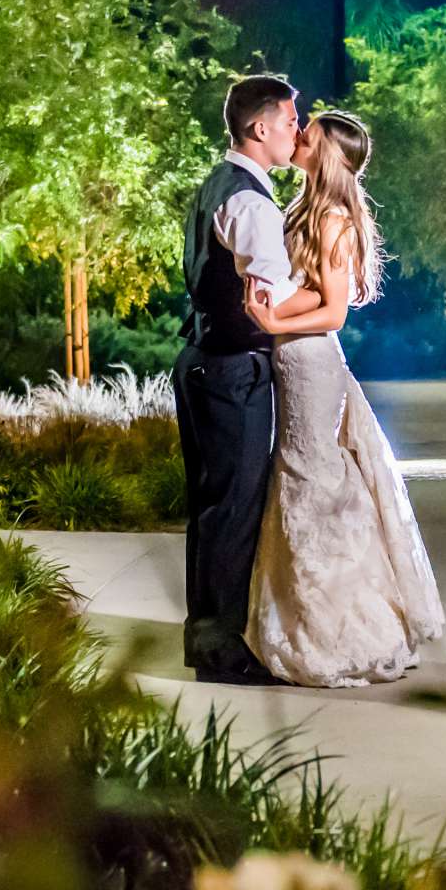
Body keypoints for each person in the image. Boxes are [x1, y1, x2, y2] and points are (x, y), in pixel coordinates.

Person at [240, 109, 444, 687]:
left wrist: (272, 318)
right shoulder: (305, 209)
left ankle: (337, 628)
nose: (298, 136)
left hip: (311, 363)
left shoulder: (334, 221)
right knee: (302, 476)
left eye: (308, 136)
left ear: (327, 154)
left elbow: (333, 309)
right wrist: (272, 311)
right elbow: (305, 289)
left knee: (311, 478)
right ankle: (305, 613)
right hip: (292, 357)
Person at [174, 74, 303, 684]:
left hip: (203, 359)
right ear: (260, 128)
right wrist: (326, 290)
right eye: (289, 121)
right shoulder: (250, 202)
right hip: (232, 369)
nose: (295, 132)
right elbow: (271, 295)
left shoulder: (218, 186)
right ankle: (223, 651)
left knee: (211, 506)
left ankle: (206, 639)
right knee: (233, 507)